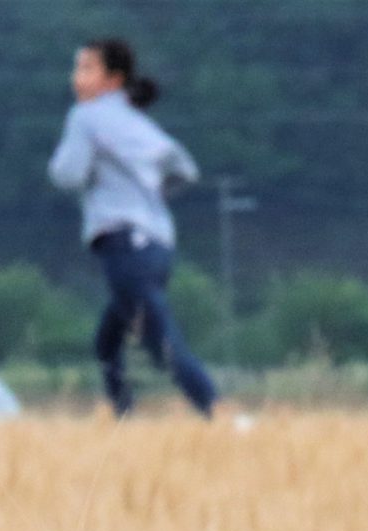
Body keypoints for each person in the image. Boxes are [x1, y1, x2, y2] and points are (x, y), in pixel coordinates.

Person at [49, 37, 220, 419]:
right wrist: (148, 192)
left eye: (87, 69)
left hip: (124, 242)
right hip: (157, 246)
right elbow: (185, 170)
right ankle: (123, 421)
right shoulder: (136, 120)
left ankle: (222, 413)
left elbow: (68, 174)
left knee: (161, 341)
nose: (76, 78)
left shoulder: (86, 116)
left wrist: (101, 177)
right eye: (77, 68)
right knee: (108, 340)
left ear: (113, 78)